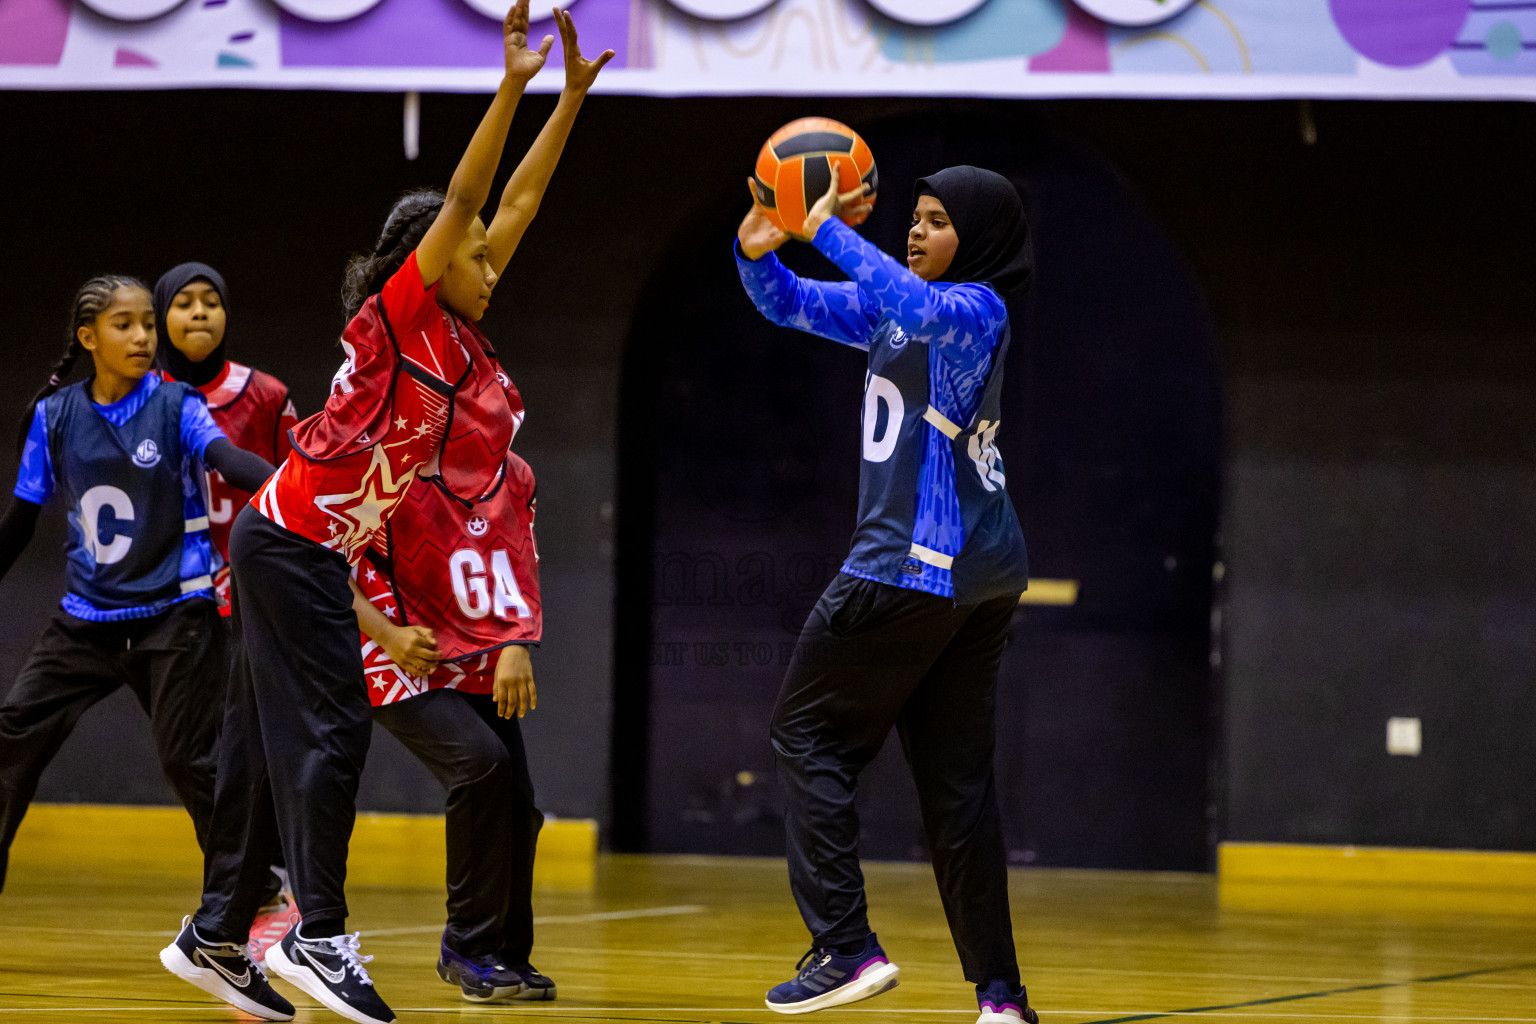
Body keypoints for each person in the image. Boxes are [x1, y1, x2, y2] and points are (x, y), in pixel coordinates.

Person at [158, 5, 610, 1024]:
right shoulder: (403, 313)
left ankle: (216, 934)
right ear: (432, 257)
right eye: (478, 255)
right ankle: (315, 939)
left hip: (304, 549)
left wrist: (572, 97)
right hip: (284, 541)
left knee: (284, 748)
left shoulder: (463, 339)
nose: (495, 264)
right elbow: (468, 195)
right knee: (328, 734)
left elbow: (519, 199)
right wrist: (510, 85)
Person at [734, 164, 1041, 1024]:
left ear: (975, 239)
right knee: (957, 791)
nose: (915, 230)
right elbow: (788, 303)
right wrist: (758, 249)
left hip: (912, 565)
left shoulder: (978, 310)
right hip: (973, 580)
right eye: (913, 217)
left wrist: (824, 224)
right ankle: (1002, 999)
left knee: (804, 733)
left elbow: (919, 308)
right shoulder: (893, 306)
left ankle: (843, 948)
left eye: (936, 221)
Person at [0, 274, 274, 894]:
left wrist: (282, 486)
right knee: (11, 738)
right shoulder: (54, 416)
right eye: (125, 325)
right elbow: (19, 523)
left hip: (175, 614)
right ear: (88, 337)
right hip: (87, 619)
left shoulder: (176, 405)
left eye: (148, 324)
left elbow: (226, 459)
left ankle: (252, 886)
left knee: (190, 760)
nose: (143, 336)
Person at [352, 448, 547, 1003]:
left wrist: (517, 642)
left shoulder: (513, 472)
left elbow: (523, 561)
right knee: (480, 763)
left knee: (517, 800)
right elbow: (324, 570)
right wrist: (387, 635)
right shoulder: (378, 469)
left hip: (475, 647)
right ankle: (466, 946)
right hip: (396, 649)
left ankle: (507, 954)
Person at [152, 261, 301, 957]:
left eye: (213, 301)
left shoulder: (265, 394)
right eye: (185, 303)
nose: (201, 314)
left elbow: (293, 479)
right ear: (162, 318)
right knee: (185, 751)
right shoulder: (140, 396)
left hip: (249, 591)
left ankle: (249, 877)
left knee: (251, 744)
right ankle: (249, 867)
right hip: (170, 595)